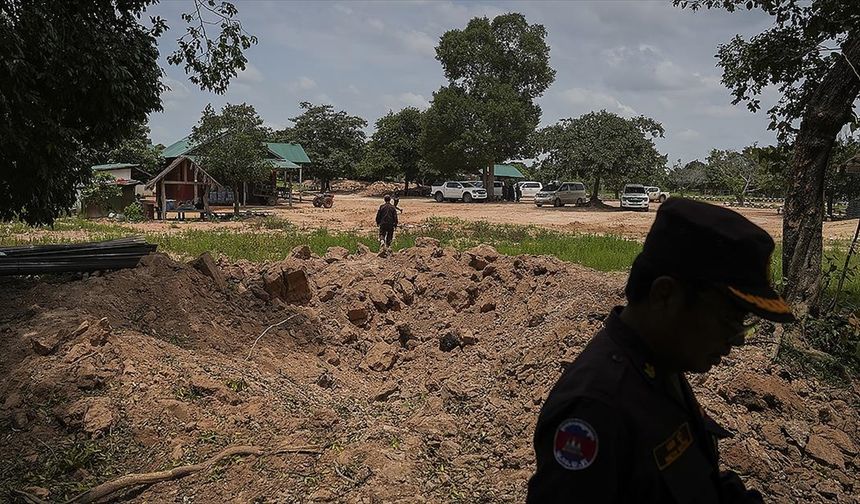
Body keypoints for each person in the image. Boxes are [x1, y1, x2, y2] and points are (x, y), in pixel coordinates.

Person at [527, 198, 795, 504]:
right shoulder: (595, 408)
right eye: (729, 320)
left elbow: (699, 483)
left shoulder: (661, 364)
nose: (737, 340)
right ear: (665, 296)